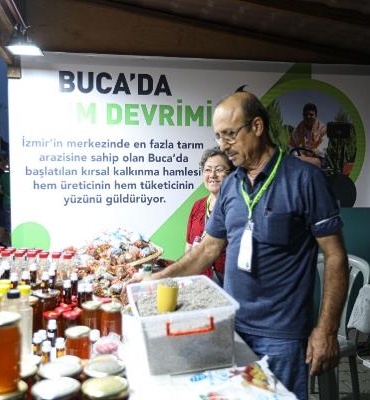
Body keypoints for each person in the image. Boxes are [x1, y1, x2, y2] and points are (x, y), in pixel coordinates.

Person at [130, 91, 348, 399]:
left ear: (257, 126)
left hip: (282, 337)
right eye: (218, 137)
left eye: (229, 135)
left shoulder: (305, 179)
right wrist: (157, 279)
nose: (223, 145)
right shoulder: (231, 185)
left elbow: (336, 257)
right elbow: (207, 249)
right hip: (231, 328)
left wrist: (326, 330)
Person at [185, 148, 234, 286]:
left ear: (231, 173)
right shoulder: (198, 206)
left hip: (229, 284)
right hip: (199, 282)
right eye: (207, 170)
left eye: (219, 170)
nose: (212, 175)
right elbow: (189, 248)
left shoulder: (237, 207)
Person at [0, 170, 11, 239]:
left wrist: (5, 194)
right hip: (20, 202)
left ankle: (12, 241)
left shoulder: (4, 175)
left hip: (7, 201)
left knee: (9, 223)